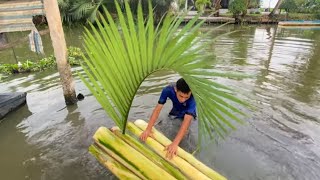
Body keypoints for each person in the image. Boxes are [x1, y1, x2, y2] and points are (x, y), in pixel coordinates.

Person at [140, 78, 196, 159]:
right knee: (165, 123)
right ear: (176, 89)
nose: (183, 99)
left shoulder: (193, 98)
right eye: (181, 96)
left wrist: (175, 144)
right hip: (176, 111)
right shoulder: (168, 90)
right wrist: (148, 129)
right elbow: (158, 109)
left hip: (189, 113)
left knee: (186, 133)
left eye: (186, 97)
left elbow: (187, 120)